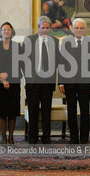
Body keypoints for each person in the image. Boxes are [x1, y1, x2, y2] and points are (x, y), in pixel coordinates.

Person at [23, 16, 60, 144]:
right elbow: (23, 61)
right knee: (33, 111)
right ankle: (32, 137)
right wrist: (28, 76)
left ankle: (46, 137)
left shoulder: (54, 41)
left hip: (47, 83)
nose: (45, 30)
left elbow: (57, 61)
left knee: (46, 111)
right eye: (42, 28)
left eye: (47, 28)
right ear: (38, 28)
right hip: (33, 83)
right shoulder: (29, 40)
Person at [59, 18, 90, 144]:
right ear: (73, 29)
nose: (79, 30)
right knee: (72, 111)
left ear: (84, 29)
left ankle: (84, 139)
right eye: (77, 28)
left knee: (85, 112)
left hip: (85, 83)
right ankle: (74, 138)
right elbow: (62, 62)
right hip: (69, 83)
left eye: (81, 28)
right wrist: (61, 82)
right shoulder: (66, 42)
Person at [0, 22, 22, 144]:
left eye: (9, 30)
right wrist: (1, 78)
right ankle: (4, 138)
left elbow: (20, 65)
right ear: (1, 32)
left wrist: (8, 76)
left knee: (12, 112)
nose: (6, 31)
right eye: (4, 29)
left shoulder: (18, 47)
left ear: (12, 32)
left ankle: (11, 138)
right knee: (1, 112)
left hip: (14, 83)